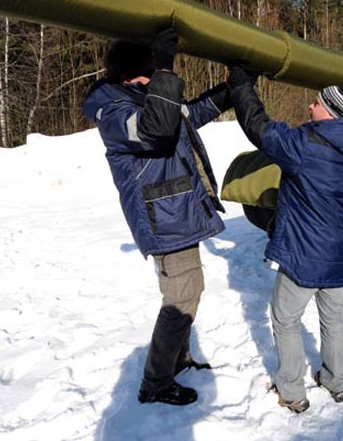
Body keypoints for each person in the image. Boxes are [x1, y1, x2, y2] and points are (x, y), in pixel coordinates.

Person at [82, 29, 232, 406]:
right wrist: (166, 69)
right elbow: (158, 129)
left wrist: (232, 88)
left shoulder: (144, 97)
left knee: (189, 293)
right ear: (135, 73)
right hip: (164, 221)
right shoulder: (115, 111)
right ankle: (156, 383)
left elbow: (188, 114)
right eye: (150, 71)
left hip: (178, 216)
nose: (154, 77)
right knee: (180, 301)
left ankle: (177, 359)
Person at [226, 66, 343, 413]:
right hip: (342, 254)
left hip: (306, 254)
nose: (310, 106)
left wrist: (241, 84)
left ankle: (292, 390)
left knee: (285, 318)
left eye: (317, 103)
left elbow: (259, 127)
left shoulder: (305, 145)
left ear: (330, 112)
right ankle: (336, 382)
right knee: (334, 318)